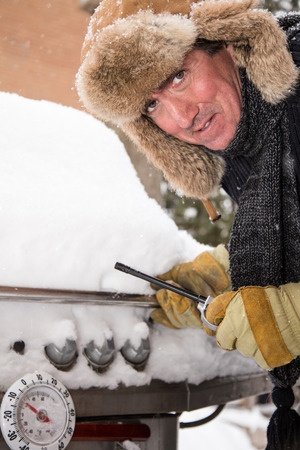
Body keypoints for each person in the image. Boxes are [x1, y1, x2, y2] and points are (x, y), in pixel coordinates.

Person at [76, 0, 300, 448]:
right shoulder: (251, 133)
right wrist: (229, 269)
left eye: (177, 75)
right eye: (152, 104)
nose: (181, 119)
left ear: (229, 41)